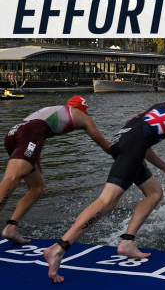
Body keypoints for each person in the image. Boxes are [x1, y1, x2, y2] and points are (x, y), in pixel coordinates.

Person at [43, 77, 165, 284]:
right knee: (106, 201)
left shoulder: (161, 107)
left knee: (154, 193)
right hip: (131, 148)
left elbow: (141, 142)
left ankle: (127, 243)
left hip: (121, 142)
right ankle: (59, 247)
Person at [1, 96, 109, 244]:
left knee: (38, 187)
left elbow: (36, 140)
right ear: (84, 110)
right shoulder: (82, 116)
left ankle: (11, 228)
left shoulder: (52, 111)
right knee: (11, 178)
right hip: (29, 134)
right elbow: (106, 146)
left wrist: (38, 169)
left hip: (14, 133)